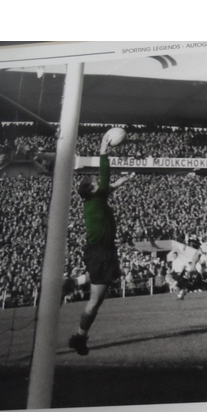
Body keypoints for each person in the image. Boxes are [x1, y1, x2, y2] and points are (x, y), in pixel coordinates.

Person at [68, 132, 136, 355]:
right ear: (92, 191)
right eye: (96, 184)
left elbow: (109, 186)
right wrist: (103, 150)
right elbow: (106, 178)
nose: (99, 183)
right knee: (96, 301)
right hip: (100, 252)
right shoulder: (96, 200)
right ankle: (79, 337)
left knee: (100, 282)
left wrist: (122, 182)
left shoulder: (94, 201)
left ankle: (69, 283)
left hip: (102, 251)